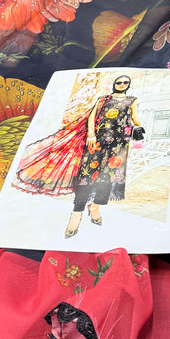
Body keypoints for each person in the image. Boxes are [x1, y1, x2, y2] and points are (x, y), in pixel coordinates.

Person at [64, 74, 142, 238]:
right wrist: (91, 135)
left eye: (125, 82)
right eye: (119, 82)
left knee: (108, 176)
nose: (122, 84)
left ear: (128, 85)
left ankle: (95, 207)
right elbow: (92, 117)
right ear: (114, 84)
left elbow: (134, 117)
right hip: (98, 141)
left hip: (119, 144)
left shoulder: (132, 100)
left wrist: (138, 127)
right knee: (87, 176)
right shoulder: (103, 99)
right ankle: (76, 214)